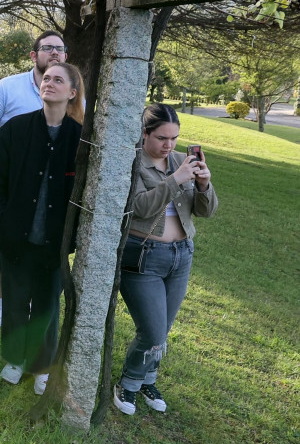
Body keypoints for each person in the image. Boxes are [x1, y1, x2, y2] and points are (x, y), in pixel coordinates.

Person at [0, 62, 85, 396]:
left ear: (72, 92)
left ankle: (41, 365)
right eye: (46, 78)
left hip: (54, 243)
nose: (49, 83)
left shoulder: (79, 139)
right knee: (14, 300)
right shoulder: (16, 129)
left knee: (46, 306)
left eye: (58, 80)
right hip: (15, 236)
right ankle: (13, 358)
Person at [113, 103, 217, 415]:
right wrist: (176, 179)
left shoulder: (178, 161)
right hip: (144, 257)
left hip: (181, 255)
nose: (169, 145)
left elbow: (206, 211)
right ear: (144, 134)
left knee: (163, 330)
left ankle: (147, 379)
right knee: (153, 331)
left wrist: (203, 184)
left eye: (174, 138)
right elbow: (139, 208)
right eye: (162, 138)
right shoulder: (132, 162)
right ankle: (128, 385)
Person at [0, 30, 69, 330]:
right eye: (47, 48)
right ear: (34, 55)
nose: (54, 53)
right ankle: (1, 300)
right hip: (13, 192)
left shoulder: (73, 95)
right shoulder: (8, 88)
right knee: (3, 249)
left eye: (59, 49)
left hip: (51, 199)